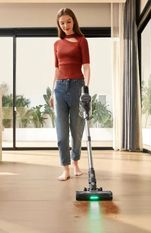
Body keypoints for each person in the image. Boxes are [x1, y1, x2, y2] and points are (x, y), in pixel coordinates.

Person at [50, 8, 90, 181]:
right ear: (59, 24)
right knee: (61, 131)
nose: (65, 25)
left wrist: (85, 89)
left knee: (76, 128)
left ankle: (75, 164)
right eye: (62, 23)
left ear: (73, 21)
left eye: (68, 21)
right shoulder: (57, 44)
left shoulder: (82, 41)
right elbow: (57, 69)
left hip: (77, 86)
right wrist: (52, 91)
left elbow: (86, 67)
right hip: (59, 88)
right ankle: (65, 168)